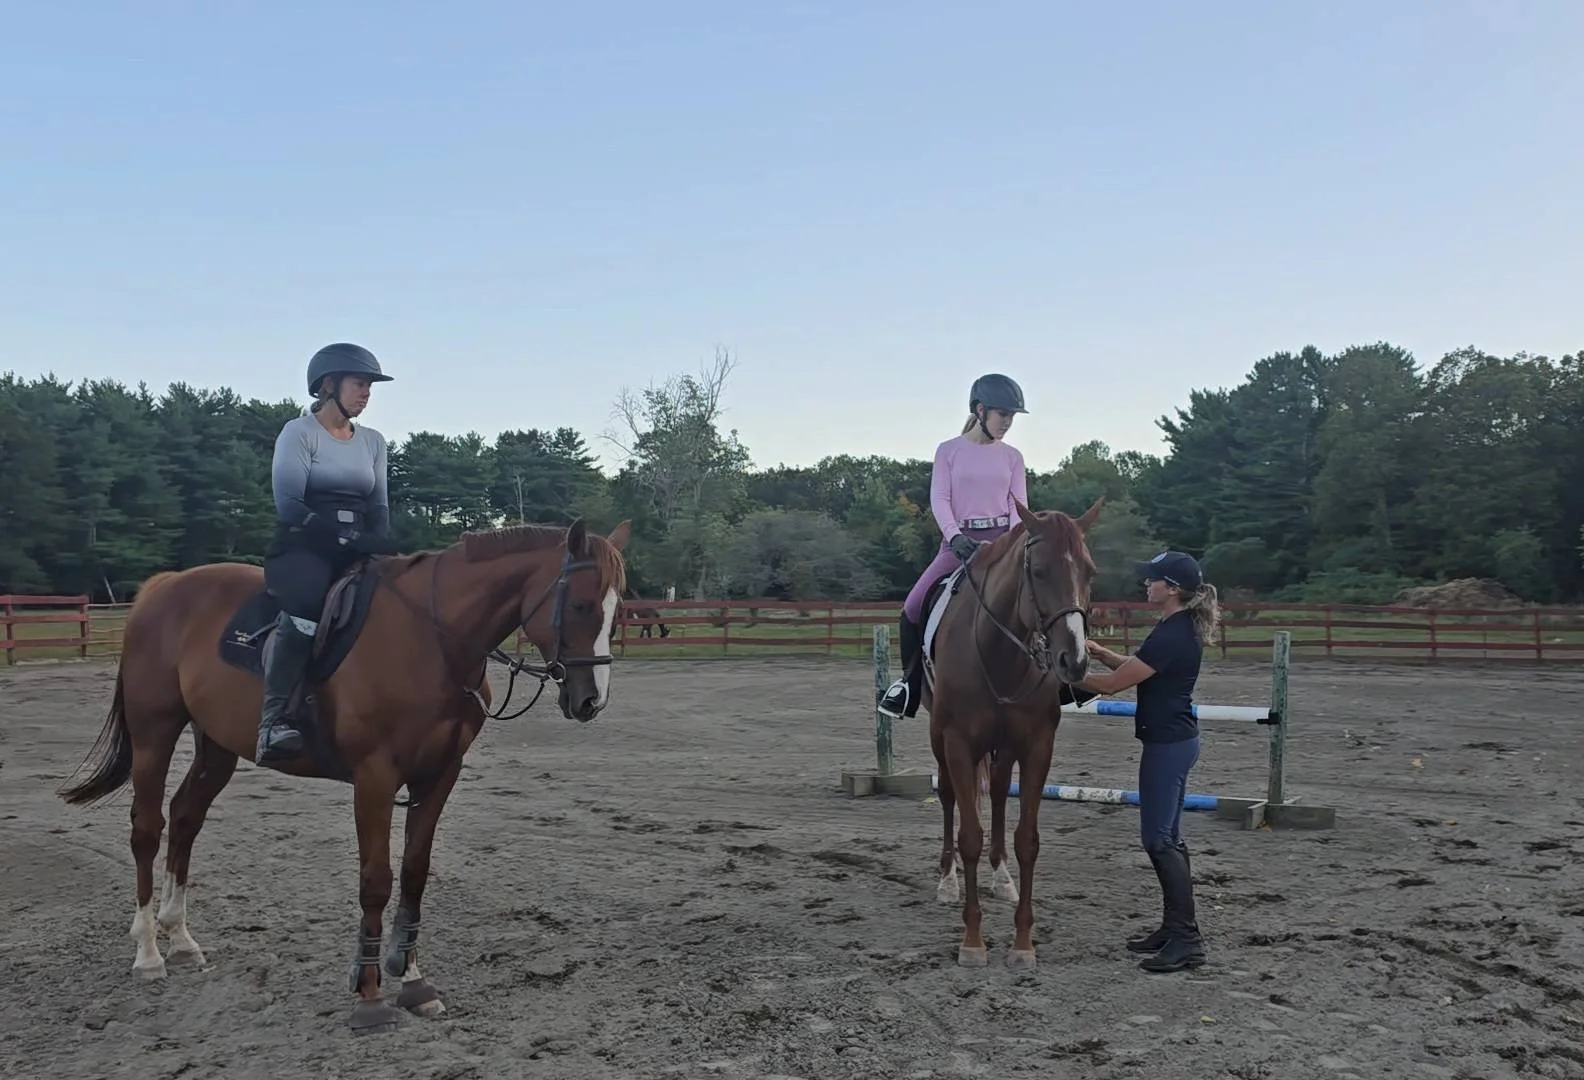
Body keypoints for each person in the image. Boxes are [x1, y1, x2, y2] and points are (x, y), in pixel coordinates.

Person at [1075, 549, 1219, 973]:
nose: (1146, 584)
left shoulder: (1172, 633)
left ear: (1171, 588)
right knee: (1168, 839)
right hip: (1175, 740)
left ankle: (1187, 939)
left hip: (1167, 747)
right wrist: (1101, 651)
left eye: (1153, 579)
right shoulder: (1177, 626)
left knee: (1158, 840)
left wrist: (1056, 673)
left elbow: (1113, 686)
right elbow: (1139, 670)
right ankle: (1174, 929)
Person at [257, 342, 397, 764]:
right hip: (305, 545)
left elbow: (380, 506)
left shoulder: (373, 442)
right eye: (360, 384)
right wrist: (338, 538)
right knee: (306, 608)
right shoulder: (298, 433)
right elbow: (290, 505)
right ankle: (273, 720)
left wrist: (378, 539)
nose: (367, 393)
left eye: (370, 386)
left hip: (357, 544)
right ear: (329, 384)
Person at [877, 373, 1029, 720]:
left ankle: (1060, 681)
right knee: (913, 607)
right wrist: (955, 536)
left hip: (1003, 544)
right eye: (1002, 414)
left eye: (1012, 416)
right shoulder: (949, 451)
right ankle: (909, 686)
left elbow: (1019, 504)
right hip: (957, 545)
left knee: (1045, 595)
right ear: (980, 410)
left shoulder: (1013, 457)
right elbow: (940, 499)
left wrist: (1010, 544)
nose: (1007, 422)